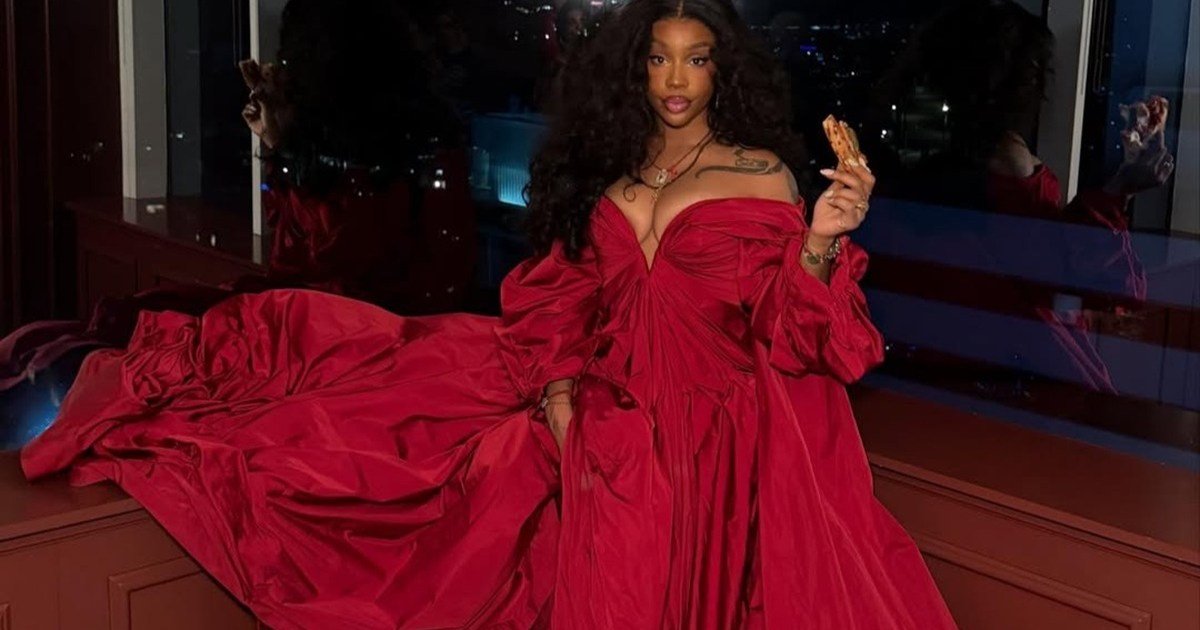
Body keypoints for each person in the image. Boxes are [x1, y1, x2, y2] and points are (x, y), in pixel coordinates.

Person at [21, 1, 957, 628]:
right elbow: (561, 306)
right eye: (657, 58)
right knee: (345, 412)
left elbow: (798, 335)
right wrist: (559, 392)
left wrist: (821, 239)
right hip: (602, 419)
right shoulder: (610, 172)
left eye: (697, 58)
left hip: (714, 440)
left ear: (724, 71)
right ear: (633, 70)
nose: (676, 78)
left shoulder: (762, 176)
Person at [0, 0, 476, 450]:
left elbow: (348, 268)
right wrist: (281, 145)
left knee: (105, 369)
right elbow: (292, 259)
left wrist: (286, 147)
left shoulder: (408, 150)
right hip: (304, 317)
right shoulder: (345, 144)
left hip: (358, 338)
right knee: (72, 339)